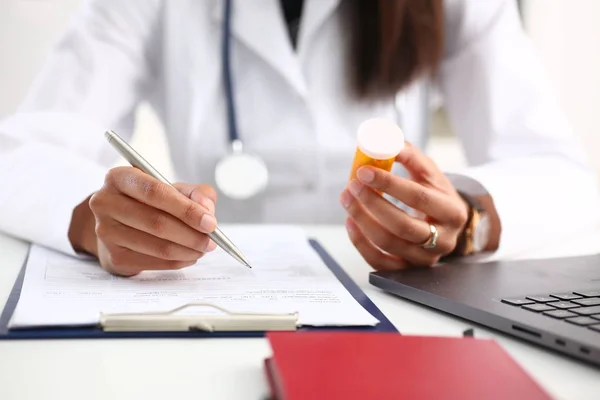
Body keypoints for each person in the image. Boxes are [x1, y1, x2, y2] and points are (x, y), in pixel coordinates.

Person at [0, 0, 597, 276]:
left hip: (393, 301)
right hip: (211, 298)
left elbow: (566, 178)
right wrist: (94, 219)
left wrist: (469, 222)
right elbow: (18, 155)